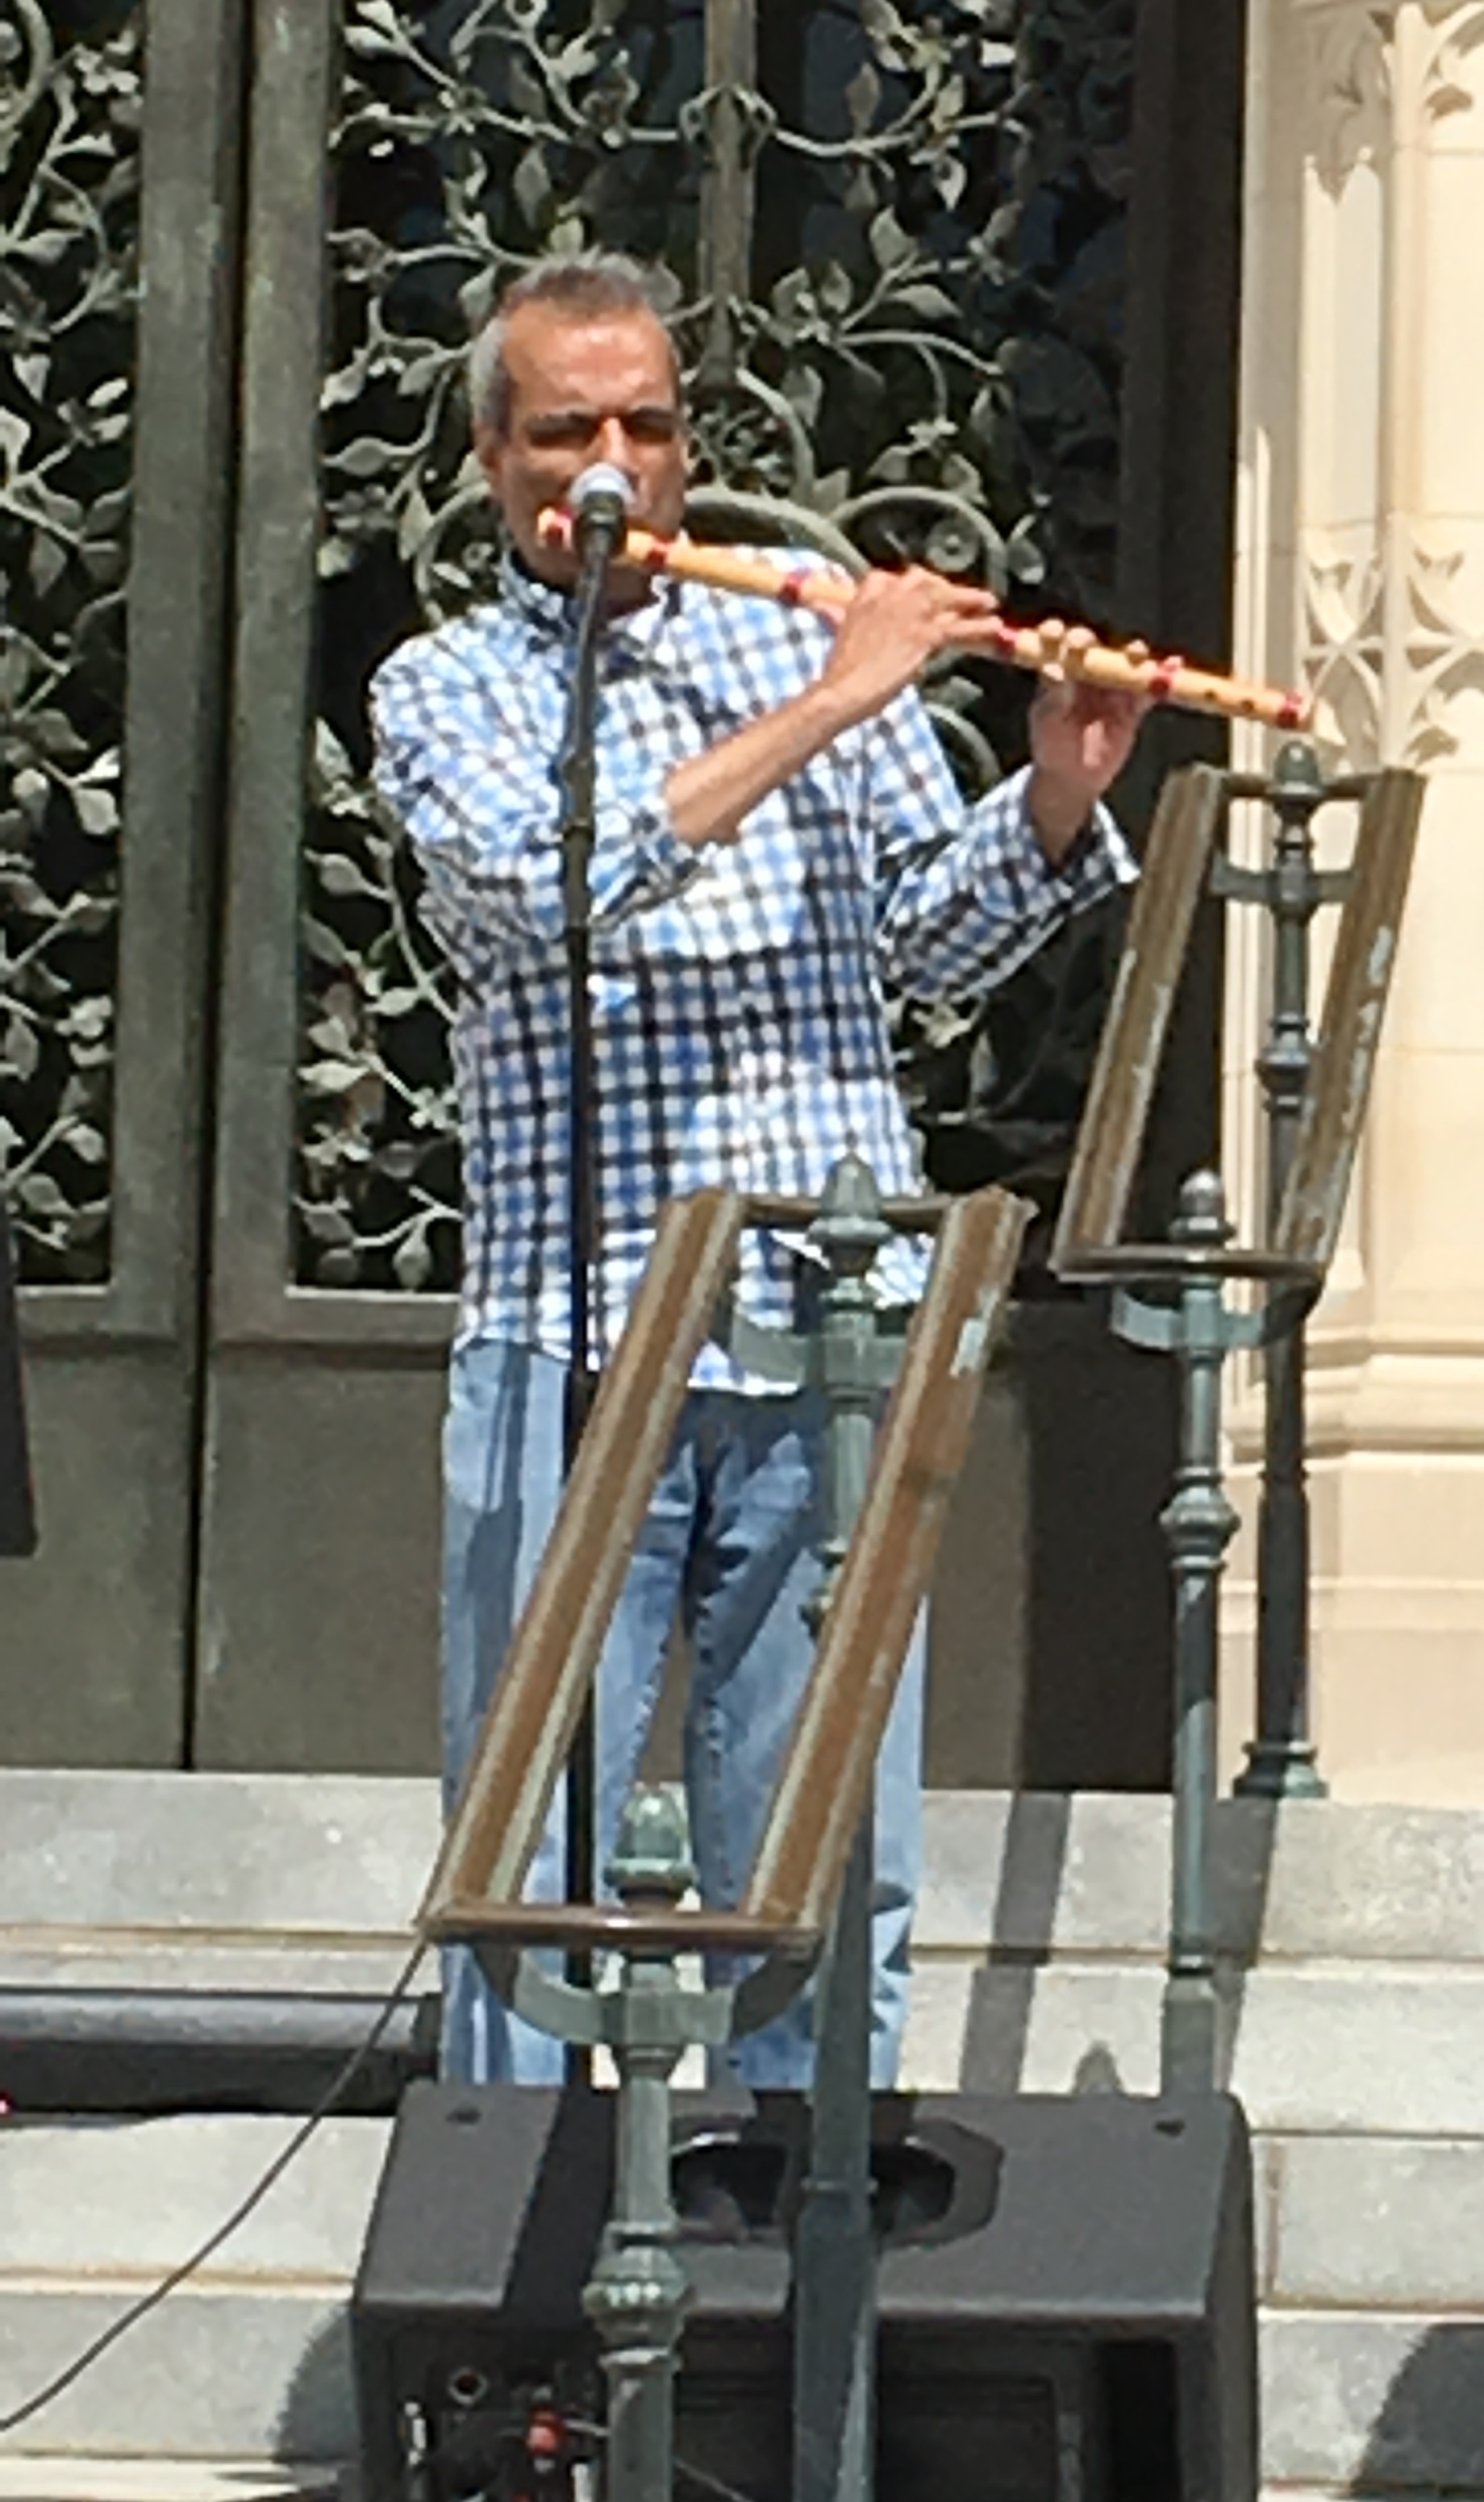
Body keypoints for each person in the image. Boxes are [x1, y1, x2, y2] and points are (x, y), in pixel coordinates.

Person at [373, 251, 1140, 2089]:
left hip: (825, 1334)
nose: (617, 466)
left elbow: (923, 954)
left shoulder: (793, 637)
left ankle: (809, 2288)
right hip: (580, 1342)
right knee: (528, 1860)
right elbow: (546, 888)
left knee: (824, 1852)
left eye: (648, 424)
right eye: (571, 434)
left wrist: (1051, 787)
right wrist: (839, 698)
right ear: (498, 462)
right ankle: (518, 2324)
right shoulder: (447, 686)